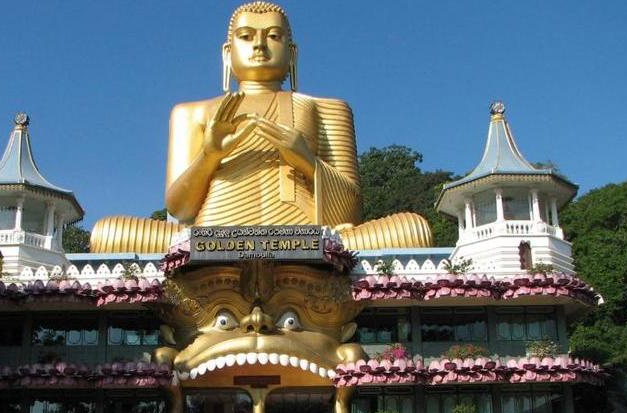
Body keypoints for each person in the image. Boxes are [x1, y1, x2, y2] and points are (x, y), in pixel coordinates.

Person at [90, 1, 433, 253]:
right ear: (227, 53)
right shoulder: (191, 112)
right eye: (246, 36)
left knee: (414, 229)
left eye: (273, 36)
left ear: (293, 53)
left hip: (306, 237)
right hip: (211, 238)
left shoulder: (326, 108)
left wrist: (304, 159)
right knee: (107, 233)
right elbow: (181, 210)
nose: (258, 45)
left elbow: (351, 212)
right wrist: (209, 155)